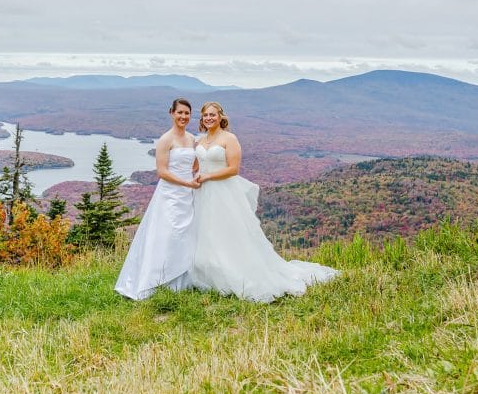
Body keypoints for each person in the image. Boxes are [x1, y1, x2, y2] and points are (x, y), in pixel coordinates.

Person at [190, 101, 338, 302]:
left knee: (227, 232)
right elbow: (196, 166)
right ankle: (209, 273)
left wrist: (208, 177)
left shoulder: (229, 138)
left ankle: (235, 271)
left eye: (212, 115)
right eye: (205, 115)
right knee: (206, 232)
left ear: (221, 117)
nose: (209, 118)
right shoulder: (201, 140)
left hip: (222, 191)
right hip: (202, 193)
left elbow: (234, 169)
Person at [115, 98, 200, 300]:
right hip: (170, 194)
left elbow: (195, 165)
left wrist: (196, 177)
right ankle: (157, 279)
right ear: (172, 113)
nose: (183, 117)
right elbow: (162, 172)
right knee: (167, 234)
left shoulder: (191, 138)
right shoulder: (165, 139)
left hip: (188, 194)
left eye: (187, 113)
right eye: (179, 112)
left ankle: (180, 279)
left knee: (186, 235)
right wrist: (187, 183)